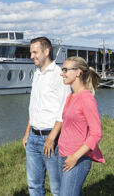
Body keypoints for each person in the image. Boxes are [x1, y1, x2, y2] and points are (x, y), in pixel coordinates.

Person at [22, 37, 70, 196]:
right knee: (34, 186)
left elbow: (64, 109)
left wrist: (51, 138)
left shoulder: (59, 75)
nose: (31, 56)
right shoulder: (37, 74)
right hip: (33, 139)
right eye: (31, 53)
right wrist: (27, 131)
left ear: (46, 51)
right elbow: (33, 106)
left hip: (52, 139)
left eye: (35, 52)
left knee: (57, 188)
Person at [58, 57, 105, 195]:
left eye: (66, 70)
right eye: (62, 69)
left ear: (78, 72)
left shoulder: (86, 98)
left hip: (77, 159)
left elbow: (96, 133)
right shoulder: (71, 96)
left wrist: (74, 157)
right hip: (62, 155)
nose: (62, 73)